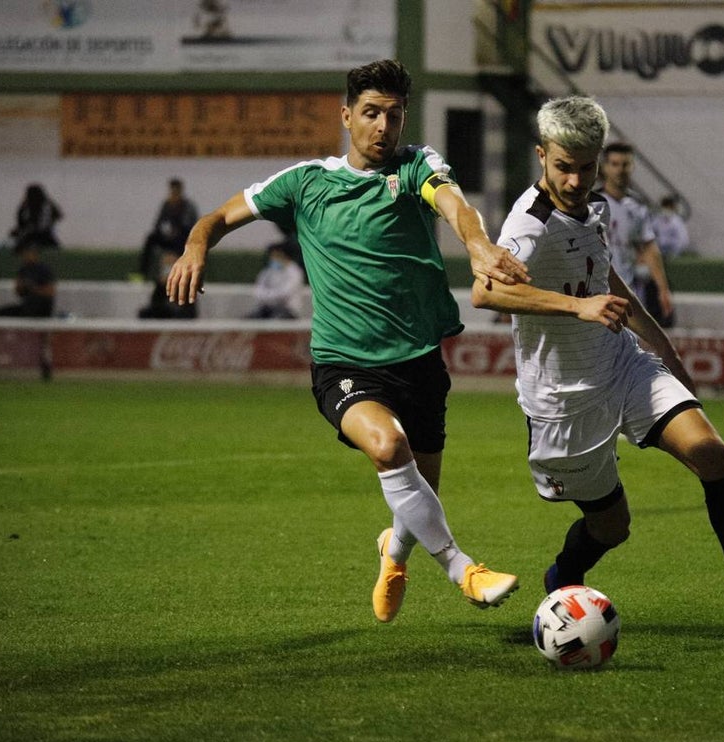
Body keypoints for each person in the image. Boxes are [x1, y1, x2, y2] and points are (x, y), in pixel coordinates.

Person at [165, 59, 525, 624]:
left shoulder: (415, 167)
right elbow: (216, 216)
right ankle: (463, 568)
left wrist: (478, 245)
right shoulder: (305, 182)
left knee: (417, 499)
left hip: (420, 360)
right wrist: (195, 246)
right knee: (387, 448)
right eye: (371, 113)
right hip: (344, 365)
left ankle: (395, 553)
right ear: (347, 117)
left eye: (395, 114)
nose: (384, 127)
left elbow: (455, 205)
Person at [472, 95, 724, 643]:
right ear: (540, 156)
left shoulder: (594, 206)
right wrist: (578, 306)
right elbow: (485, 293)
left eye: (585, 166)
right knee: (611, 527)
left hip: (623, 365)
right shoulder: (530, 224)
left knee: (712, 456)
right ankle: (564, 576)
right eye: (562, 167)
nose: (575, 180)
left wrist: (662, 346)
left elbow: (604, 277)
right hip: (563, 399)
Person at [599, 142, 675, 328]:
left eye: (625, 164)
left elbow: (649, 247)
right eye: (615, 164)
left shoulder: (638, 207)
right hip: (596, 292)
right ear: (604, 167)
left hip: (627, 292)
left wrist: (663, 289)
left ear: (632, 167)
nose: (620, 170)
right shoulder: (592, 203)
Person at [138, 178, 199, 281]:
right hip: (168, 237)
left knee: (182, 239)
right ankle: (142, 273)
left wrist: (177, 231)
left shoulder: (188, 206)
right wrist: (165, 232)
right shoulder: (166, 205)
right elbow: (158, 224)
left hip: (183, 238)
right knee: (151, 238)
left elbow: (191, 226)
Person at [0, 241, 56, 317]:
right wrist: (21, 286)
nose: (25, 256)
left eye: (27, 253)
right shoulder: (24, 270)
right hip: (27, 306)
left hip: (41, 308)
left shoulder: (43, 269)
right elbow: (18, 292)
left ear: (35, 254)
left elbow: (50, 292)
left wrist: (32, 288)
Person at [245, 242, 305, 319]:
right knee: (250, 319)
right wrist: (269, 296)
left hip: (288, 310)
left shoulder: (295, 272)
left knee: (275, 320)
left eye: (276, 256)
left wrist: (267, 295)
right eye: (272, 256)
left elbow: (284, 294)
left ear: (284, 255)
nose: (273, 258)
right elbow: (257, 290)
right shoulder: (268, 271)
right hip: (268, 308)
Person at [139, 251, 197, 320]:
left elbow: (189, 313)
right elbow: (155, 308)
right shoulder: (160, 289)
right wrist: (162, 286)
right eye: (166, 268)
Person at [10, 183, 62, 251]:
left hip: (38, 234)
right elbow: (58, 215)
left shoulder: (39, 205)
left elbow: (23, 221)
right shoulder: (47, 204)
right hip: (43, 233)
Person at [651, 194, 691, 262]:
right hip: (659, 253)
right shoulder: (657, 220)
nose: (666, 209)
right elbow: (650, 233)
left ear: (673, 208)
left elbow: (683, 240)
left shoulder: (677, 222)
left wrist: (673, 253)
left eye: (668, 207)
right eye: (665, 207)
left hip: (674, 254)